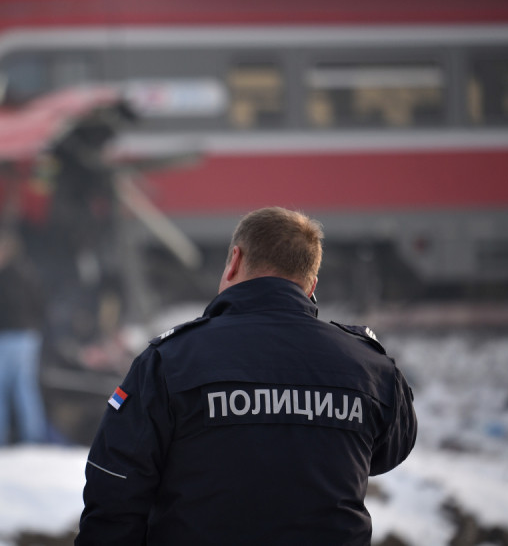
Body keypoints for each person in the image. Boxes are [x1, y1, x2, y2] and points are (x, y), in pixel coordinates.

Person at [76, 207, 417, 545]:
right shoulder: (371, 369)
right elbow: (389, 451)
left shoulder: (168, 361)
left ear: (235, 260)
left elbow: (114, 489)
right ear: (311, 285)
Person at [0, 229, 48, 446]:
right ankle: (33, 437)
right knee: (25, 389)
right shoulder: (29, 273)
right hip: (27, 338)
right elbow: (41, 305)